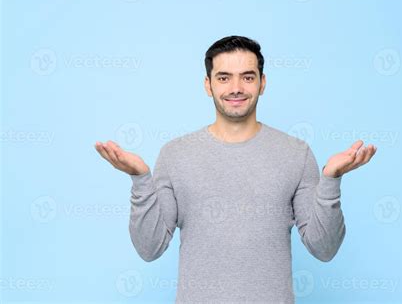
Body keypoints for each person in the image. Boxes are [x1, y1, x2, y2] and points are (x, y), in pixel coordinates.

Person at [95, 35, 377, 303]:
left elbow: (324, 248)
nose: (236, 88)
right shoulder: (175, 155)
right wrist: (140, 179)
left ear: (262, 83)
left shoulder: (296, 154)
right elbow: (150, 248)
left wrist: (331, 179)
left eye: (247, 77)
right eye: (224, 77)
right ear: (208, 85)